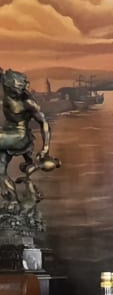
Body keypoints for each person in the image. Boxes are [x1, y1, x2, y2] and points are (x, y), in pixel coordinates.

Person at [0, 68, 60, 205]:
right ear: (8, 86)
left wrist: (45, 148)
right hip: (6, 135)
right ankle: (13, 203)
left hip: (20, 137)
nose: (20, 92)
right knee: (0, 171)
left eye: (21, 89)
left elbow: (44, 123)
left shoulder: (28, 102)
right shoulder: (5, 84)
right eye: (16, 89)